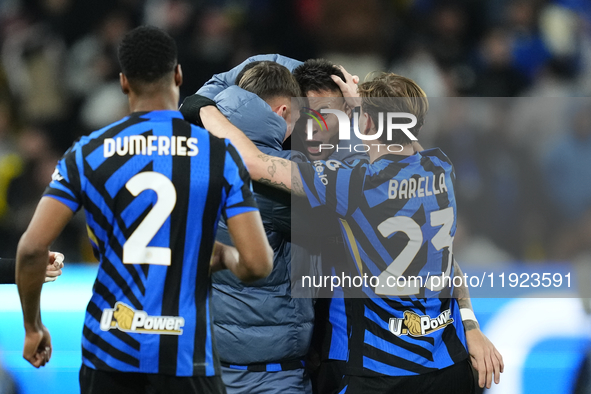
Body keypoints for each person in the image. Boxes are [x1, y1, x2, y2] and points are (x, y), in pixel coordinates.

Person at [191, 70, 504, 393]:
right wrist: (471, 325)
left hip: (381, 371)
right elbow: (449, 260)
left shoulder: (354, 183)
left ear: (366, 123)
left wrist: (204, 108)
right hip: (447, 366)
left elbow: (254, 162)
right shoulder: (440, 168)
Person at [16, 25, 273, 394]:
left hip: (109, 353)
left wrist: (33, 326)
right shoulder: (219, 155)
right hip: (186, 356)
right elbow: (257, 265)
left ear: (123, 82)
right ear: (179, 74)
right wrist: (223, 256)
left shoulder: (87, 153)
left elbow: (30, 249)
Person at [183, 60, 315, 394]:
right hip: (271, 376)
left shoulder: (190, 154)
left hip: (203, 364)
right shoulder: (285, 172)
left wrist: (209, 107)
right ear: (283, 110)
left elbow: (207, 92)